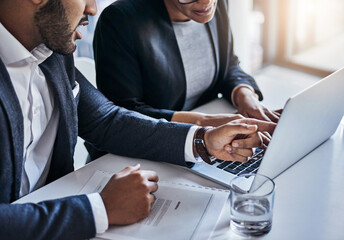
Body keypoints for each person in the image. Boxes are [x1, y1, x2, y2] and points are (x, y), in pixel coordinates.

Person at [0, 0, 276, 239]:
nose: (92, 9)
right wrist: (98, 210)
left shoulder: (51, 50)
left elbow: (106, 119)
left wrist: (202, 141)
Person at [93, 0, 281, 128]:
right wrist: (204, 124)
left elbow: (228, 64)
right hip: (140, 154)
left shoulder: (216, 4)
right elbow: (123, 115)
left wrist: (245, 95)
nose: (205, 2)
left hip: (208, 141)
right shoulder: (120, 21)